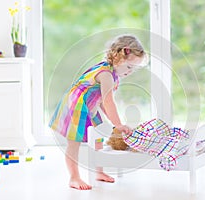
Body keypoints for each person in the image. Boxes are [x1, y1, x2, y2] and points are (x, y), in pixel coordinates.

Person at [49, 34, 146, 190]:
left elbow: (102, 101)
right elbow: (108, 101)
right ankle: (74, 178)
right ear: (118, 56)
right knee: (73, 144)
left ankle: (98, 172)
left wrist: (116, 124)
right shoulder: (106, 74)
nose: (130, 71)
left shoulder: (114, 75)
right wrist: (118, 124)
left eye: (133, 69)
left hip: (90, 107)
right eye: (129, 67)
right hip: (76, 106)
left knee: (98, 137)